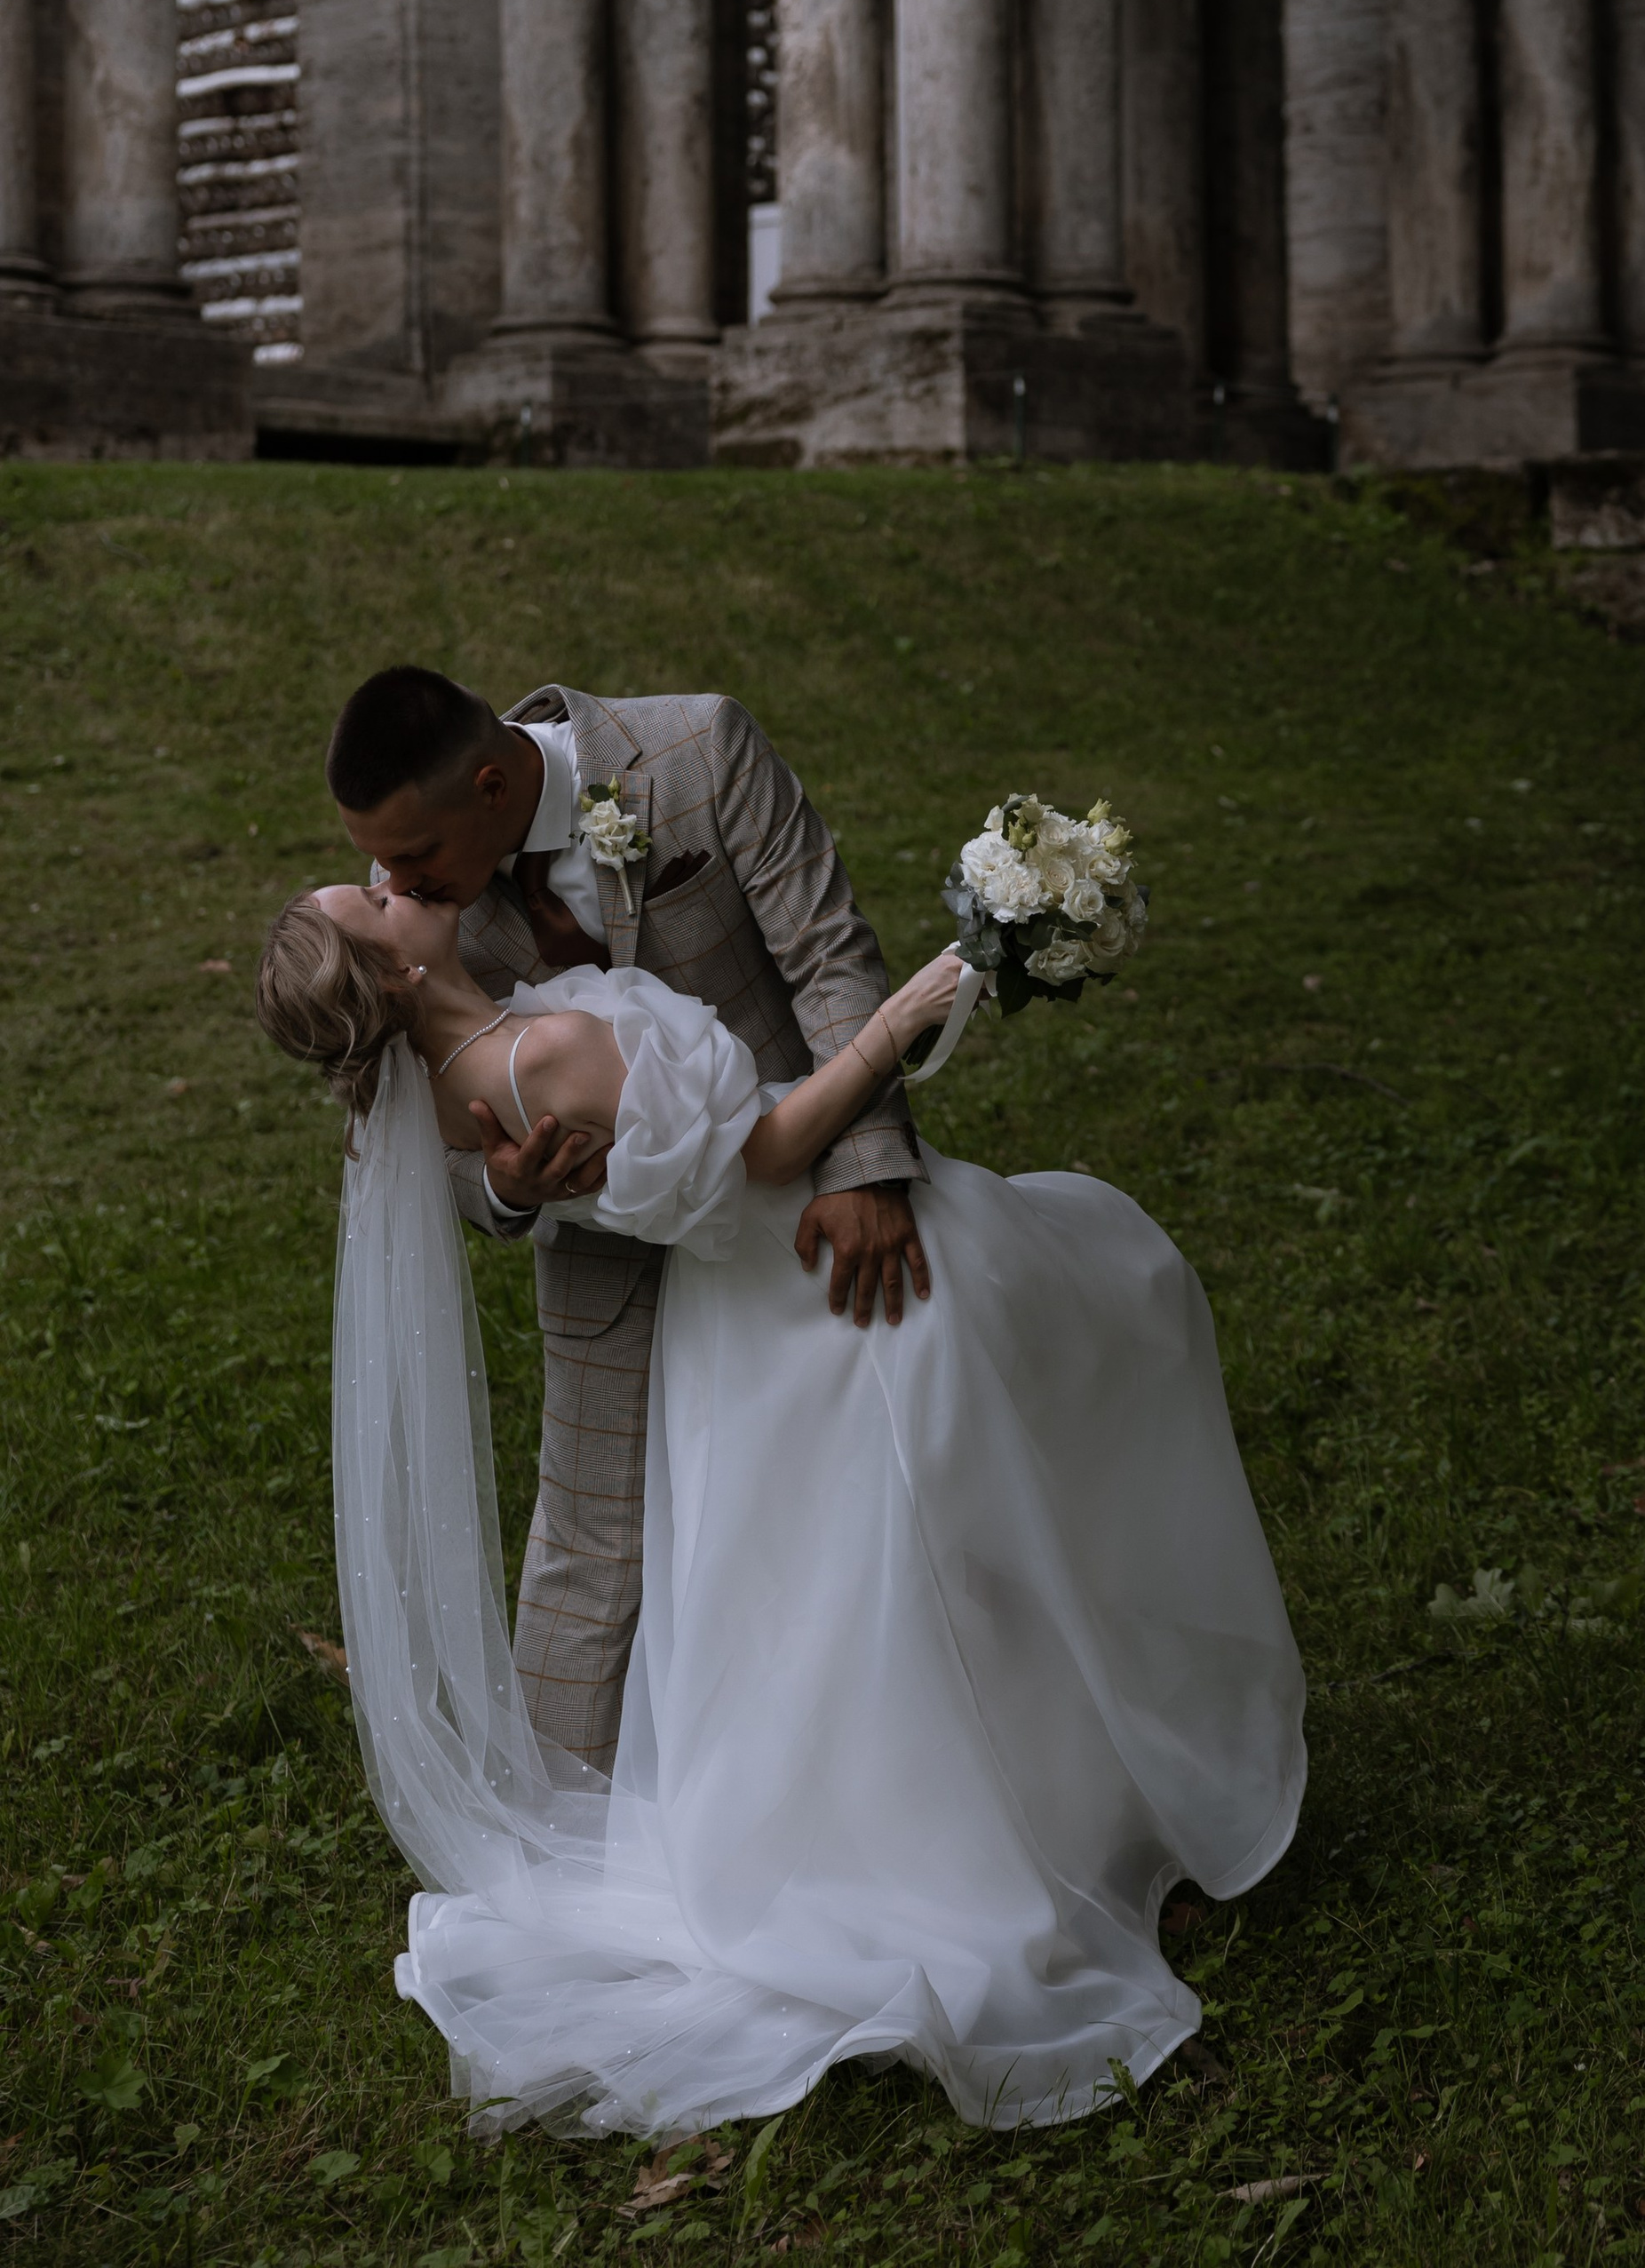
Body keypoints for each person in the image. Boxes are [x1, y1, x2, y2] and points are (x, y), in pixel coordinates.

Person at [256, 879, 1307, 2137]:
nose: (395, 884)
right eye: (373, 902)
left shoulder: (458, 1084)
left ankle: (1025, 1797)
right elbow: (764, 1151)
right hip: (817, 1284)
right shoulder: (547, 1051)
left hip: (728, 1339)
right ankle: (1007, 1831)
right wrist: (902, 1017)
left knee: (838, 1591)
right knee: (1107, 1323)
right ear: (402, 977)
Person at [322, 665, 928, 1771]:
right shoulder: (409, 921)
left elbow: (825, 953)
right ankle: (553, 1839)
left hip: (789, 1209)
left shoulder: (698, 754)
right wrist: (509, 1184)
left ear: (496, 785)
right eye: (384, 865)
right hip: (607, 1245)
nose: (393, 880)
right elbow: (416, 1141)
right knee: (590, 1541)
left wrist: (864, 1167)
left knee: (860, 1496)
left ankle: (839, 1776)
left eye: (412, 860)